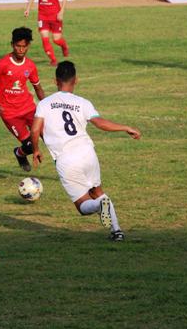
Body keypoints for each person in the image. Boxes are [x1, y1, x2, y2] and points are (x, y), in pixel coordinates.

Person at [31, 61, 141, 243]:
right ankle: (117, 231)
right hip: (88, 153)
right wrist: (125, 127)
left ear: (55, 81)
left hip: (66, 159)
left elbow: (35, 130)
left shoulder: (44, 103)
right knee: (98, 191)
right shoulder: (83, 103)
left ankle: (100, 206)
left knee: (83, 206)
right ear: (76, 80)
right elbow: (100, 123)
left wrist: (35, 150)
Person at [0, 27, 46, 172]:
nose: (21, 49)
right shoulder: (3, 63)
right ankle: (19, 153)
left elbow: (38, 88)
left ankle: (63, 167)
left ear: (28, 46)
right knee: (30, 145)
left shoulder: (30, 65)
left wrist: (48, 107)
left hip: (29, 108)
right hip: (10, 113)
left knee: (48, 137)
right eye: (18, 46)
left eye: (24, 46)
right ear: (12, 44)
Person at [24, 0, 68, 66]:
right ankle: (53, 60)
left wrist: (61, 11)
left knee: (56, 40)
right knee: (44, 39)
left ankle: (64, 46)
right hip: (42, 16)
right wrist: (27, 9)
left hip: (55, 16)